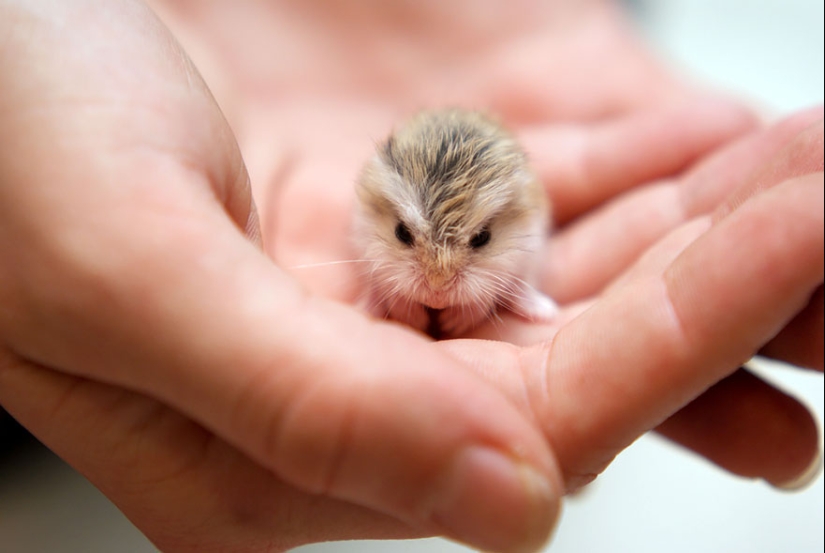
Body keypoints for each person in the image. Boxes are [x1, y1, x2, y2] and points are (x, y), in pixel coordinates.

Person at [0, 0, 821, 551]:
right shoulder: (375, 207)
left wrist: (517, 290)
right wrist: (373, 287)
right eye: (406, 240)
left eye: (469, 247)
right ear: (377, 209)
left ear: (511, 220)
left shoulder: (521, 212)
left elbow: (512, 251)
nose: (432, 280)